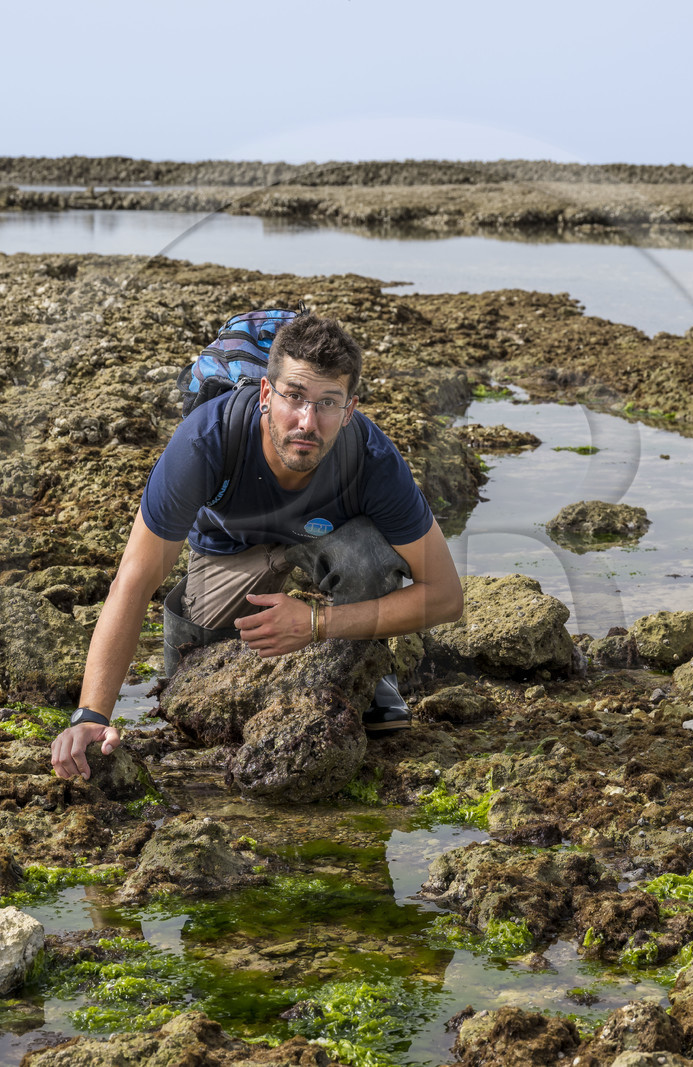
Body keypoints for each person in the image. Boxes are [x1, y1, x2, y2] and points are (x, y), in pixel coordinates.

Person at [50, 313, 464, 781]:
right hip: (229, 548)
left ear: (349, 411)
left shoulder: (371, 458)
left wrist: (315, 623)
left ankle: (366, 672)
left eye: (328, 403)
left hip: (325, 539)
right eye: (294, 397)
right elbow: (134, 579)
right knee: (191, 696)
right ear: (267, 394)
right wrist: (91, 715)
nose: (308, 421)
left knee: (366, 558)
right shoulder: (206, 440)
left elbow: (446, 595)